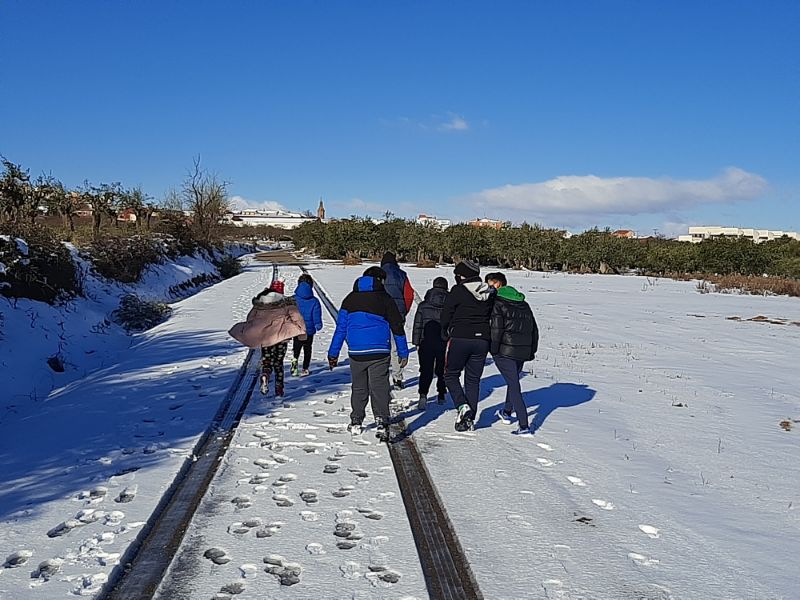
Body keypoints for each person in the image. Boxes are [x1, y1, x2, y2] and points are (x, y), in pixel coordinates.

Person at [327, 266, 410, 442]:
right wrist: (403, 352)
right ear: (380, 280)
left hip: (356, 351)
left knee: (359, 387)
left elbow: (341, 329)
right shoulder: (385, 298)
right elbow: (397, 326)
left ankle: (356, 421)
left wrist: (333, 354)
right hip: (379, 351)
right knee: (379, 387)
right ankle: (382, 421)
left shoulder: (349, 299)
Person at [228, 278, 306, 397]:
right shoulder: (286, 304)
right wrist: (302, 334)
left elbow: (250, 318)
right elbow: (297, 318)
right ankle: (279, 388)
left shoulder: (259, 305)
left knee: (267, 361)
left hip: (265, 340)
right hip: (281, 339)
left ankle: (265, 375)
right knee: (278, 363)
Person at [440, 260, 494, 431]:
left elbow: (446, 313)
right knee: (473, 380)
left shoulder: (458, 291)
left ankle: (462, 405)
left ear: (462, 275)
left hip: (460, 338)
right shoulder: (489, 292)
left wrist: (444, 330)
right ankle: (469, 419)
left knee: (450, 375)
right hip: (482, 340)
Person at [486, 272, 539, 435]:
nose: (489, 288)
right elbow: (534, 329)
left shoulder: (498, 303)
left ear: (498, 284)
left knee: (514, 385)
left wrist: (493, 350)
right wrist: (531, 349)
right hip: (521, 350)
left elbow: (496, 329)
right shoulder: (523, 303)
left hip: (505, 350)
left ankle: (524, 425)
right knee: (513, 380)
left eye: (490, 284)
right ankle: (507, 412)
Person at [412, 276, 449, 410]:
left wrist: (416, 342)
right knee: (442, 369)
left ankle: (423, 395)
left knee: (426, 369)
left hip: (425, 341)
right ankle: (441, 394)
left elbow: (417, 325)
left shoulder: (423, 305)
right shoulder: (450, 305)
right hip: (443, 341)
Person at [380, 252, 415, 389]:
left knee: (381, 345)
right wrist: (404, 310)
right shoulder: (401, 274)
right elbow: (409, 295)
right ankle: (397, 377)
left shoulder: (378, 274)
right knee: (395, 346)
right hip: (398, 314)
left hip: (381, 314)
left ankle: (380, 377)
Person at [291, 273, 323, 377]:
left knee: (296, 348)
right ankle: (305, 368)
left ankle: (294, 366)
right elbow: (316, 315)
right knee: (307, 349)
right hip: (309, 330)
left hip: (296, 329)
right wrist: (318, 324)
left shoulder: (293, 299)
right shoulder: (314, 301)